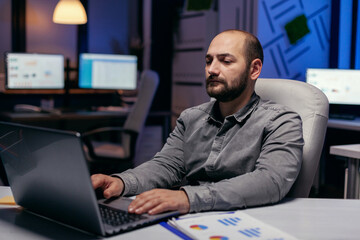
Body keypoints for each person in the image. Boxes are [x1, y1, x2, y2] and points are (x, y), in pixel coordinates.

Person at [91, 29, 304, 215]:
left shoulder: (282, 121)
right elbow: (166, 166)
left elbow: (270, 181)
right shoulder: (191, 117)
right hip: (192, 218)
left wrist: (187, 198)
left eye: (226, 61)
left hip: (248, 221)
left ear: (254, 69)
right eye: (209, 60)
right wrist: (121, 182)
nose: (212, 69)